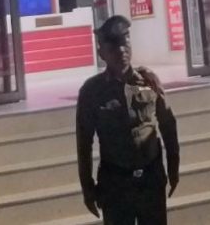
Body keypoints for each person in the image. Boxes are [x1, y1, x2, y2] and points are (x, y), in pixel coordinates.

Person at [76, 16, 180, 225]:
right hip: (115, 184)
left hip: (150, 180)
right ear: (102, 53)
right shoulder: (92, 91)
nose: (121, 51)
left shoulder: (149, 81)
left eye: (125, 44)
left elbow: (168, 124)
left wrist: (173, 166)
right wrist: (87, 187)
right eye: (114, 46)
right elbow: (84, 143)